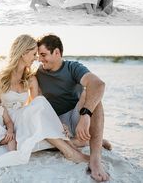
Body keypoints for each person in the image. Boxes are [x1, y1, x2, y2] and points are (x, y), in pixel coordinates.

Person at [0, 34, 89, 180]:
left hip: (22, 118)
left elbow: (39, 107)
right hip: (7, 121)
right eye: (33, 54)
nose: (36, 58)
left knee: (39, 102)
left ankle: (70, 148)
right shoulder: (1, 78)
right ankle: (70, 150)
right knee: (38, 108)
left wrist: (57, 123)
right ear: (23, 52)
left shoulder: (31, 78)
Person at [36, 34, 110, 182]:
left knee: (94, 98)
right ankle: (93, 139)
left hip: (77, 118)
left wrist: (85, 114)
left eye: (43, 54)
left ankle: (95, 159)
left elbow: (98, 84)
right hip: (57, 124)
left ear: (57, 52)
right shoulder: (38, 74)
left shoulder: (72, 67)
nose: (39, 59)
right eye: (38, 55)